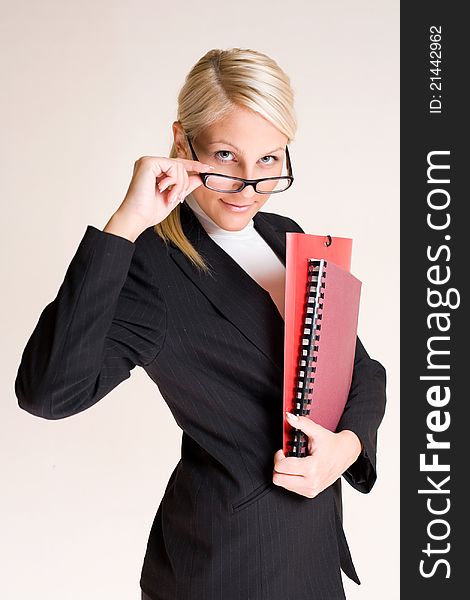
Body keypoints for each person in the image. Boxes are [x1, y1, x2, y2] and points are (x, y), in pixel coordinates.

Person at [15, 47, 387, 600]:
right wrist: (126, 224)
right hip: (225, 566)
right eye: (225, 156)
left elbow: (361, 369)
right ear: (182, 141)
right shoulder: (149, 266)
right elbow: (48, 393)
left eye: (269, 160)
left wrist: (348, 448)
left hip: (309, 555)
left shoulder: (288, 234)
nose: (248, 186)